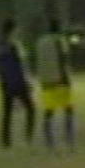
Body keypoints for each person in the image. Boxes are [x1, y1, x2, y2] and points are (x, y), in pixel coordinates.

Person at [34, 18, 75, 153]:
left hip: (46, 81)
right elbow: (64, 59)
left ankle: (49, 141)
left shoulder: (40, 42)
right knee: (68, 109)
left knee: (49, 111)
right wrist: (67, 79)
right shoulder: (60, 40)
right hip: (60, 80)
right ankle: (69, 140)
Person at [0, 18, 34, 148]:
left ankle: (5, 140)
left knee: (7, 113)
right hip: (18, 82)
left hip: (5, 82)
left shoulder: (1, 45)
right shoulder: (15, 45)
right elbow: (21, 65)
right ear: (13, 30)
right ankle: (29, 136)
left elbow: (1, 66)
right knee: (31, 109)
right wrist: (27, 81)